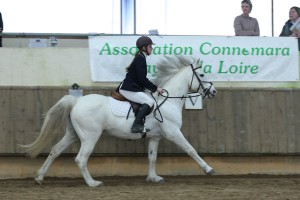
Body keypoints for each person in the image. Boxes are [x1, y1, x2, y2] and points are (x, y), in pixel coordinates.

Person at [119, 36, 164, 133]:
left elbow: (141, 80)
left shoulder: (141, 57)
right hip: (128, 89)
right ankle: (136, 125)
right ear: (144, 47)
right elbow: (142, 79)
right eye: (150, 46)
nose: (152, 48)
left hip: (132, 87)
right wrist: (156, 89)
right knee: (149, 102)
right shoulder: (140, 58)